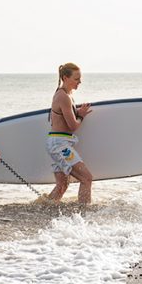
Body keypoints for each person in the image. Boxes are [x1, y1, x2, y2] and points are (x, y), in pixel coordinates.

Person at [45, 63, 93, 204]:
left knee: (62, 186)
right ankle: (84, 212)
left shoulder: (66, 95)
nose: (80, 82)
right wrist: (81, 116)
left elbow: (64, 118)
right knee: (86, 178)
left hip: (57, 143)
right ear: (65, 78)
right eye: (76, 78)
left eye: (80, 78)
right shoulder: (63, 97)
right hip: (59, 145)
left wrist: (77, 112)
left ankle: (45, 208)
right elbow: (72, 126)